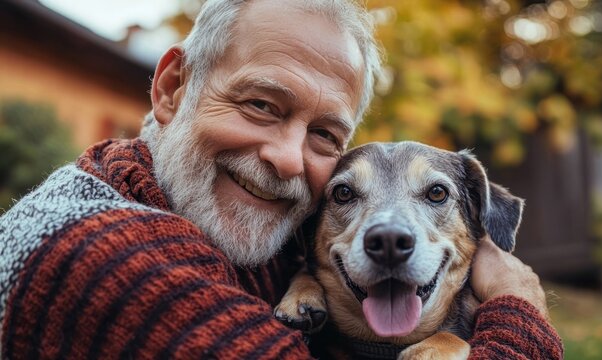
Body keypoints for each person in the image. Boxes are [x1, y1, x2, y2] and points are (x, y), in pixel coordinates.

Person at [0, 0, 562, 358]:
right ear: (173, 88)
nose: (290, 160)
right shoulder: (101, 257)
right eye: (262, 104)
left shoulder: (249, 230)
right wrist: (518, 311)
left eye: (325, 135)